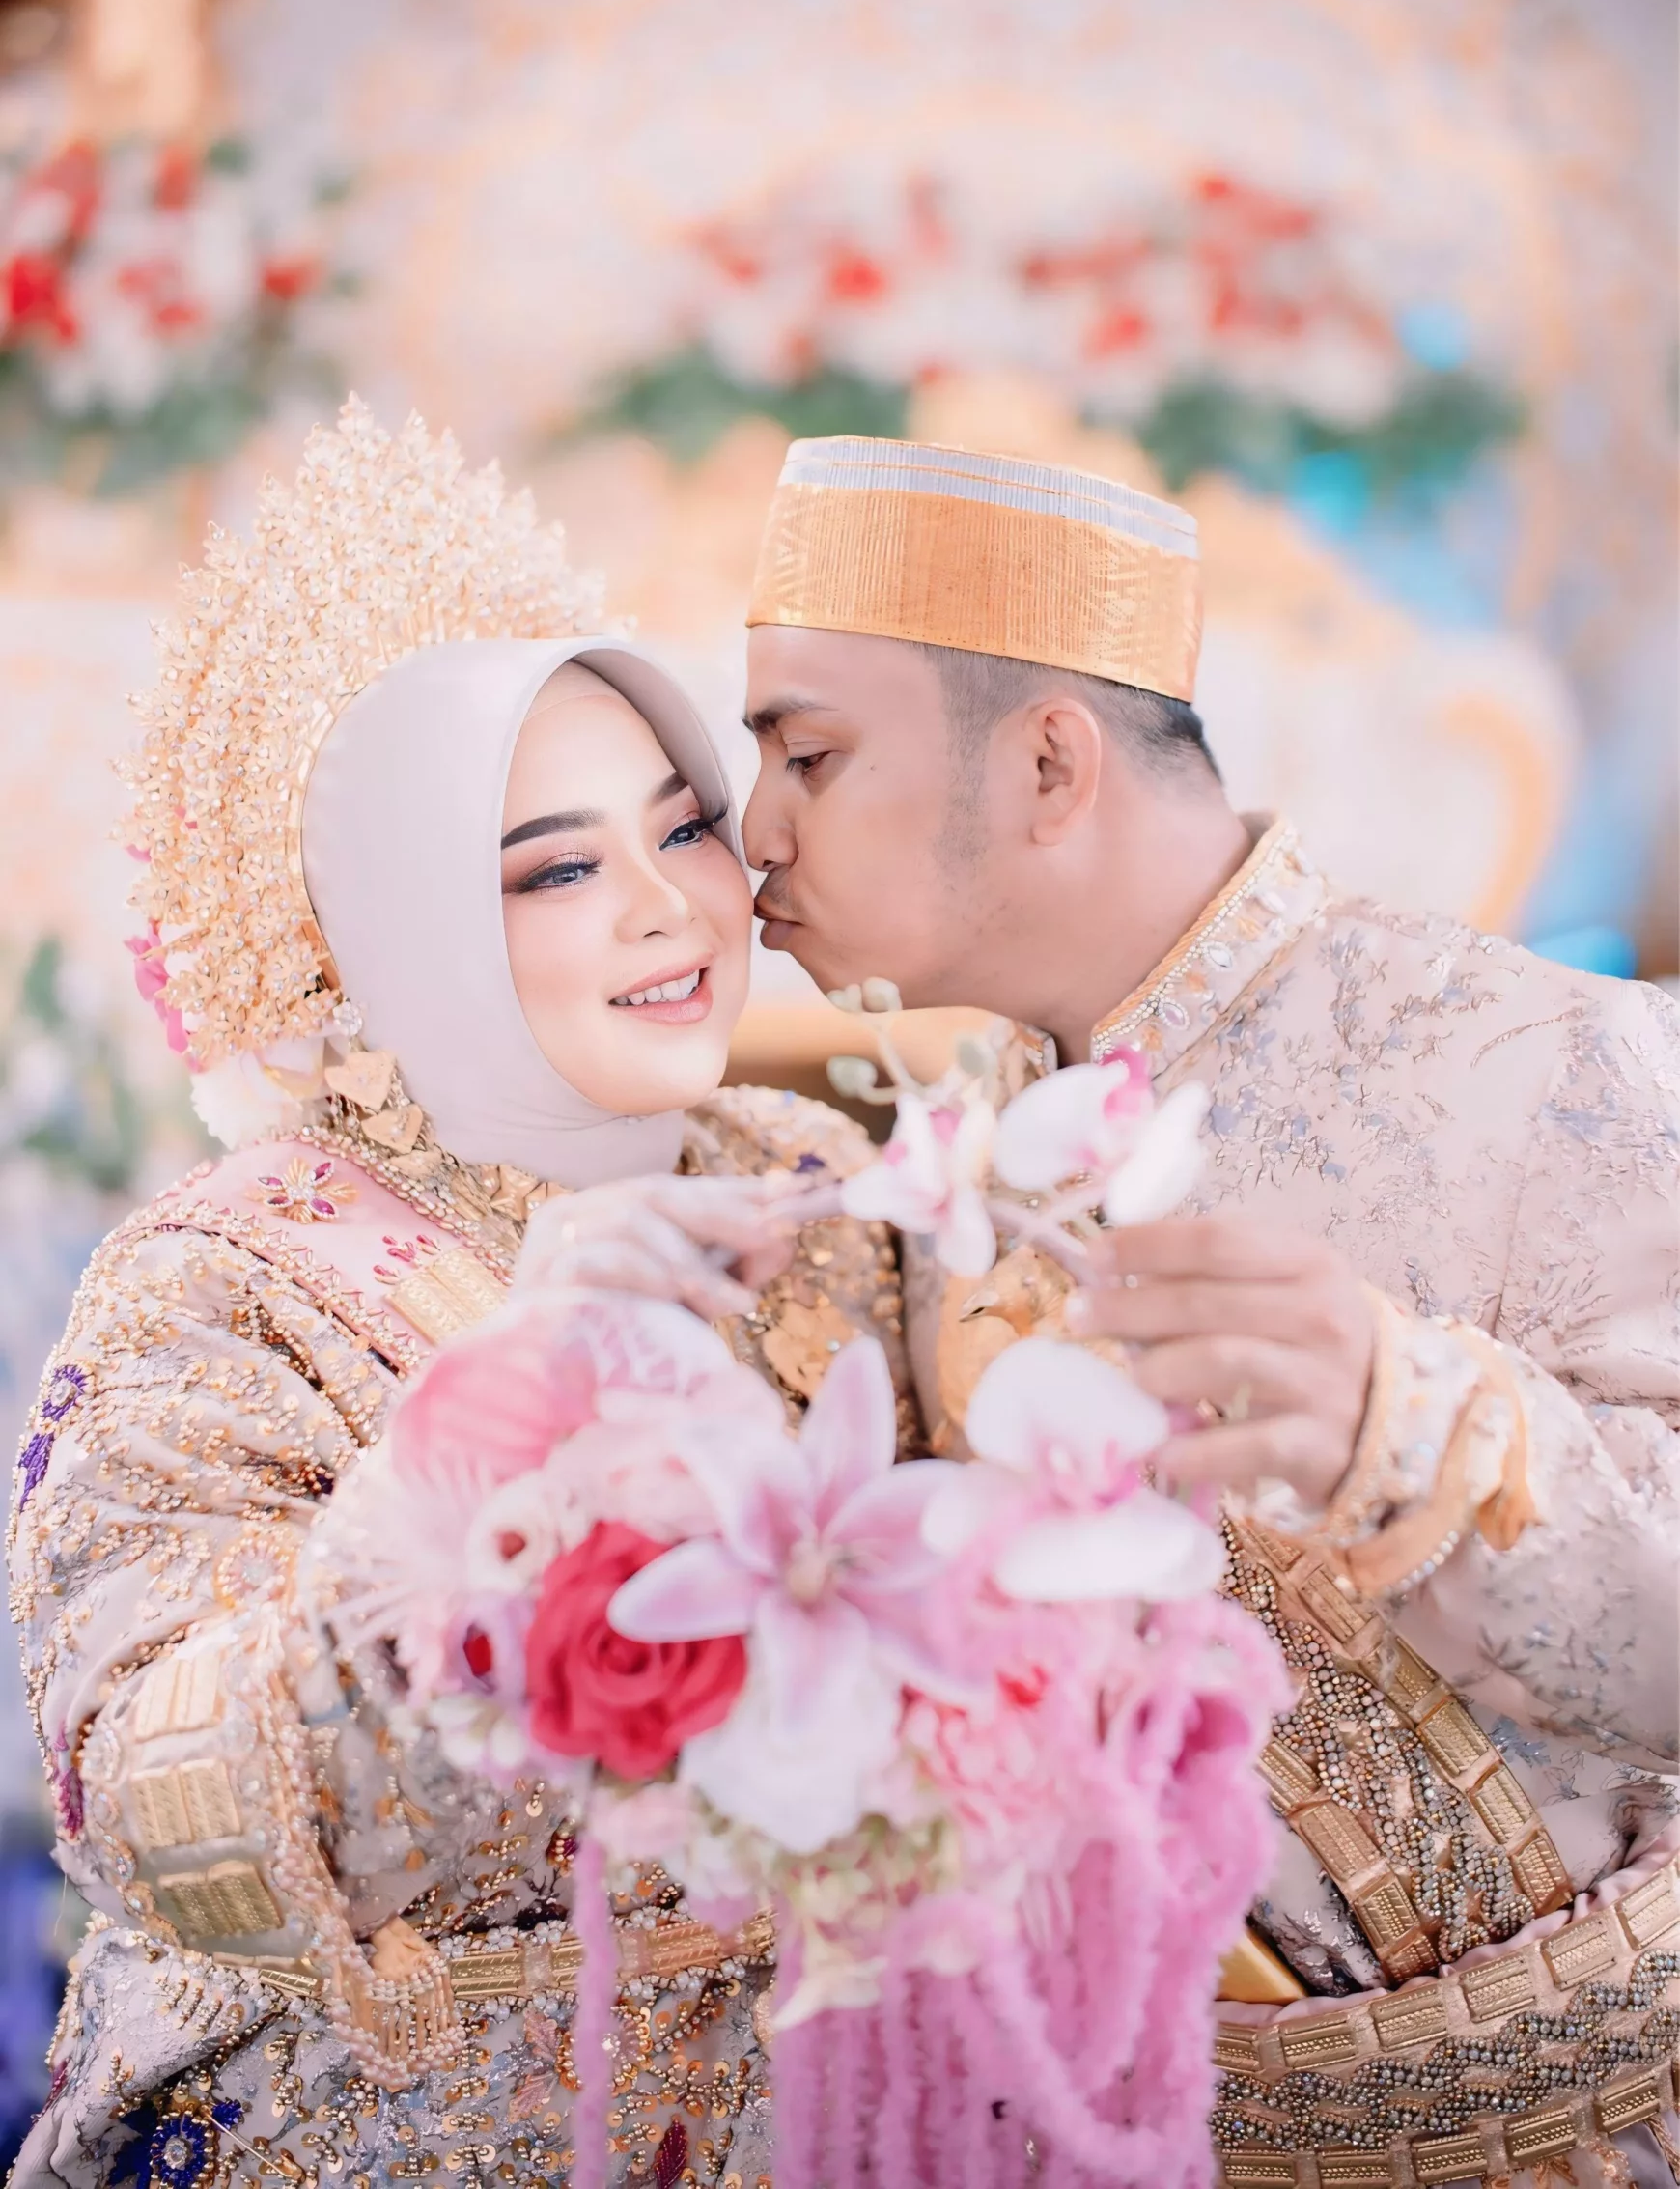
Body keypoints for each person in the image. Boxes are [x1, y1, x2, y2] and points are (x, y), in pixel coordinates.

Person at [534, 433, 1680, 2185]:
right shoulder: (945, 1160)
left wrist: (1420, 1429)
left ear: (1051, 764)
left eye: (808, 754)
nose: (753, 832)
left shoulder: (1558, 1065)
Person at [6, 401, 908, 2189]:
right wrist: (494, 1438)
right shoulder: (221, 1283)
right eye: (557, 868)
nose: (669, 908)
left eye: (684, 828)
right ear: (393, 932)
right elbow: (159, 1822)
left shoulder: (815, 1190)